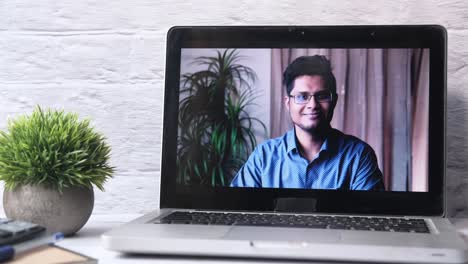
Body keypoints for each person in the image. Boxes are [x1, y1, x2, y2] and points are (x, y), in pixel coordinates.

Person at [230, 55, 385, 191]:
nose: (312, 105)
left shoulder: (358, 155)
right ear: (288, 103)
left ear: (334, 101)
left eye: (322, 96)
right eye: (302, 96)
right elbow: (238, 207)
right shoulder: (264, 156)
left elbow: (368, 215)